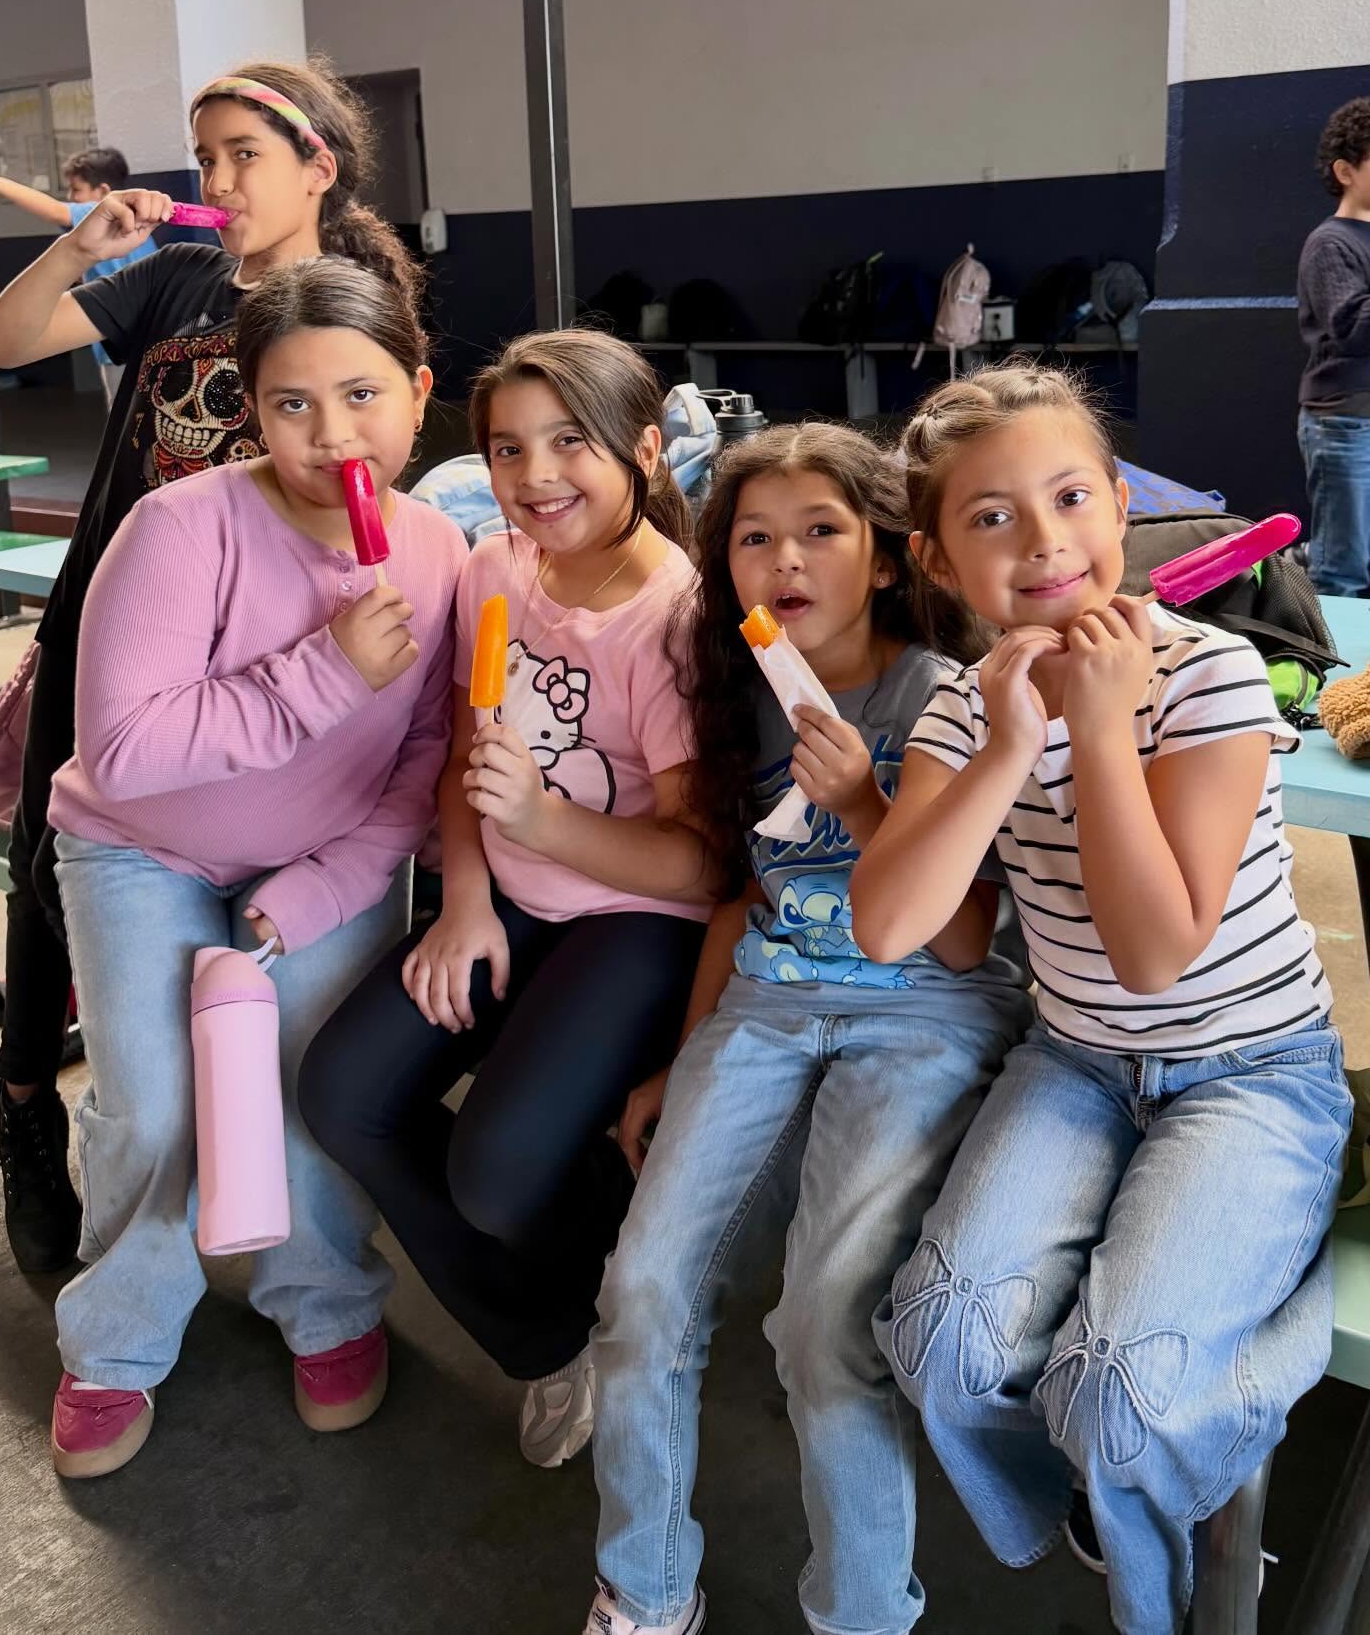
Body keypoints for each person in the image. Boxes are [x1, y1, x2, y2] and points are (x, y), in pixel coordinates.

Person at [852, 363, 1351, 1635]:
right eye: (991, 516)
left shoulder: (1210, 672)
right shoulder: (968, 703)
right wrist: (1015, 740)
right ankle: (1113, 1483)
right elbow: (895, 925)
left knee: (1120, 1388)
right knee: (941, 1344)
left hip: (1252, 1069)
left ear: (1121, 509)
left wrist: (1107, 726)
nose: (1043, 539)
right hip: (1076, 1061)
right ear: (938, 558)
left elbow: (1155, 952)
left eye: (1071, 496)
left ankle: (1174, 1470)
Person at [0, 57, 419, 1276]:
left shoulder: (356, 299)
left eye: (243, 155)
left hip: (275, 649)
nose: (216, 180)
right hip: (115, 629)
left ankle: (253, 1162)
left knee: (254, 879)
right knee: (47, 866)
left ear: (319, 167)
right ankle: (27, 1099)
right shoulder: (175, 277)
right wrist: (77, 248)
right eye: (205, 155)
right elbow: (5, 341)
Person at [583, 424, 1030, 1635]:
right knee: (643, 1292)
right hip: (770, 1003)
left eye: (821, 530)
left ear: (886, 558)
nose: (785, 558)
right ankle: (645, 1587)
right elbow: (744, 899)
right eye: (754, 537)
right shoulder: (739, 699)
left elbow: (967, 940)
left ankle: (862, 1613)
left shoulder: (939, 695)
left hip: (925, 1011)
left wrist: (867, 802)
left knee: (827, 1323)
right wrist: (684, 1055)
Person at [45, 256, 462, 1478]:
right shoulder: (179, 527)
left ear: (418, 389)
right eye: (293, 403)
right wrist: (325, 669)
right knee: (155, 1103)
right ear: (252, 407)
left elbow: (421, 762)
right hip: (142, 847)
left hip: (325, 855)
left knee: (309, 1087)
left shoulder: (439, 551)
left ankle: (326, 1301)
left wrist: (323, 887)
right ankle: (116, 1337)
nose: (333, 435)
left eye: (363, 394)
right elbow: (123, 752)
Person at [299, 330, 713, 1470]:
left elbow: (700, 865)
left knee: (493, 1173)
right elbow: (465, 755)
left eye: (570, 442)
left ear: (644, 448)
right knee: (343, 1092)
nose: (535, 476)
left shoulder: (674, 618)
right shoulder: (496, 569)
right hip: (510, 897)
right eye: (508, 449)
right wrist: (465, 901)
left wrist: (542, 823)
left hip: (637, 918)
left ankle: (629, 1268)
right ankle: (549, 1336)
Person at [0, 145, 156, 406]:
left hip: (123, 347)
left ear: (103, 193)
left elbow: (54, 210)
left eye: (76, 190)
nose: (71, 197)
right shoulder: (141, 230)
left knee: (123, 416)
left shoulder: (97, 210)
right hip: (149, 342)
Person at [1297, 95, 1370, 595]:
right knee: (1343, 568)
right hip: (1345, 423)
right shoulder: (1330, 243)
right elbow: (1354, 329)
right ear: (1346, 171)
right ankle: (1330, 647)